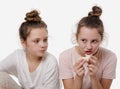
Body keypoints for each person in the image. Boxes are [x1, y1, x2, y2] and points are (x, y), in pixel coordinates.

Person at [59, 6, 117, 89]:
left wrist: (94, 76)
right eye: (83, 40)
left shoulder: (110, 57)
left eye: (94, 41)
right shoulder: (65, 57)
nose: (89, 47)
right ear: (76, 38)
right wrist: (78, 77)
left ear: (101, 39)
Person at [0, 10, 60, 89]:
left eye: (45, 40)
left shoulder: (50, 62)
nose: (43, 45)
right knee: (1, 78)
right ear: (23, 42)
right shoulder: (18, 56)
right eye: (36, 41)